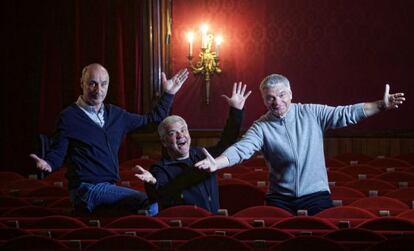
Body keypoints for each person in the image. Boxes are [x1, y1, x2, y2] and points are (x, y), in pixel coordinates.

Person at [195, 74, 406, 215]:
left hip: (316, 196)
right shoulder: (261, 126)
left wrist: (381, 105)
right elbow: (242, 148)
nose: (276, 101)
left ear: (291, 94)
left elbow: (346, 113)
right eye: (270, 98)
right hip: (280, 199)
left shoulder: (311, 112)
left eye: (281, 95)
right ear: (264, 100)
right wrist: (218, 163)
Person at [29, 63, 189, 214]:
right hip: (85, 189)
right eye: (92, 83)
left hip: (107, 187)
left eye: (103, 84)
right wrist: (48, 163)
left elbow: (152, 120)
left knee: (148, 205)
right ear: (82, 83)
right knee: (148, 202)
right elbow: (58, 151)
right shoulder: (69, 116)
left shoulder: (116, 115)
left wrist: (169, 93)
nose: (98, 89)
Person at [135, 82, 251, 213]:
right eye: (172, 133)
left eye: (183, 130)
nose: (180, 135)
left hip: (210, 224)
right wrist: (152, 183)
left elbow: (227, 141)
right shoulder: (160, 169)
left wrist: (236, 110)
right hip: (182, 226)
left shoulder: (203, 155)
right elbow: (160, 193)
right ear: (164, 141)